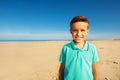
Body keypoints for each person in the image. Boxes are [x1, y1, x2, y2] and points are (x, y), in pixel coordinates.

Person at [58, 16, 99, 80]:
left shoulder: (92, 48)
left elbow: (95, 69)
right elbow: (61, 69)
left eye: (82, 30)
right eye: (75, 30)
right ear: (70, 31)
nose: (78, 34)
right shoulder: (66, 48)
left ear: (87, 31)